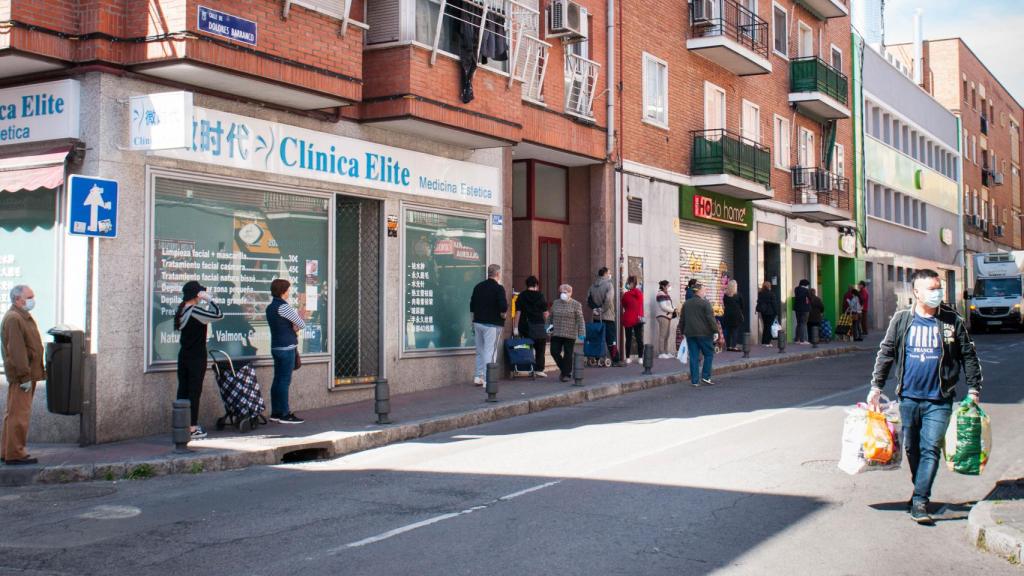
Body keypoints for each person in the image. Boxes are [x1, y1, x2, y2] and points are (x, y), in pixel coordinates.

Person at [868, 269, 982, 525]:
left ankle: (920, 500)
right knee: (912, 448)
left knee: (930, 448)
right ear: (916, 293)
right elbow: (886, 353)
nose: (937, 293)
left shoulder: (951, 321)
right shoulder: (901, 320)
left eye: (938, 287)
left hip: (939, 399)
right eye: (931, 289)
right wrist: (876, 386)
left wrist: (974, 389)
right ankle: (919, 487)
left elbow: (968, 355)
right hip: (908, 397)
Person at [174, 281, 223, 440]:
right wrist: (210, 299)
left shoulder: (181, 310)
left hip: (184, 355)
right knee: (194, 391)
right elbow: (219, 315)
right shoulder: (195, 311)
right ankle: (192, 427)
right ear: (196, 295)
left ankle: (181, 424)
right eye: (200, 294)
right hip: (197, 356)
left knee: (183, 389)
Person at [1, 285, 45, 465]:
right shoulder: (14, 318)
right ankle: (16, 453)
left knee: (13, 414)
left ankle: (7, 450)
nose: (33, 299)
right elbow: (17, 351)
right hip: (22, 377)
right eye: (30, 296)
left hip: (25, 375)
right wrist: (25, 376)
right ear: (19, 299)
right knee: (19, 415)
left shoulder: (20, 316)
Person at [267, 279, 306, 424]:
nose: (289, 292)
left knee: (277, 380)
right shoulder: (284, 307)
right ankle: (284, 413)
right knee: (284, 381)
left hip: (276, 346)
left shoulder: (270, 307)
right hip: (287, 347)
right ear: (283, 291)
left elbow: (280, 325)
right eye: (288, 289)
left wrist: (291, 326)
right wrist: (294, 325)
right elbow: (301, 323)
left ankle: (275, 412)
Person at [470, 264, 508, 386]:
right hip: (492, 324)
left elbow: (472, 306)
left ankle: (478, 376)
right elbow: (503, 307)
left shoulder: (478, 287)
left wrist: (473, 321)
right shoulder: (499, 288)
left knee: (480, 351)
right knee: (490, 352)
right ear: (498, 274)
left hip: (478, 322)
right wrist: (503, 315)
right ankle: (488, 379)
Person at [679, 282, 719, 387]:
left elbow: (682, 320)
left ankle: (695, 381)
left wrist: (682, 332)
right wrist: (715, 331)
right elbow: (711, 319)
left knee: (693, 356)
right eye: (704, 290)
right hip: (704, 334)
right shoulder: (705, 303)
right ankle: (706, 377)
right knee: (709, 354)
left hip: (690, 334)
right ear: (699, 291)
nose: (705, 292)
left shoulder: (686, 304)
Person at [513, 276, 549, 377]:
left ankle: (528, 367)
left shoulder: (522, 296)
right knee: (540, 348)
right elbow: (545, 313)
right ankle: (539, 369)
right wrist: (549, 326)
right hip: (539, 325)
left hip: (525, 325)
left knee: (527, 346)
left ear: (527, 285)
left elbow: (518, 312)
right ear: (536, 285)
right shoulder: (540, 295)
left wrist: (515, 327)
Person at [549, 284, 586, 382]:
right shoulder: (556, 303)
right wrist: (547, 328)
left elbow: (580, 320)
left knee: (568, 354)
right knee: (554, 351)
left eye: (565, 292)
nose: (562, 294)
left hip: (570, 334)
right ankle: (565, 370)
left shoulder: (576, 304)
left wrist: (581, 333)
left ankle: (566, 374)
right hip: (556, 333)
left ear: (570, 293)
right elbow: (550, 317)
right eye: (561, 292)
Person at [587, 267, 622, 366]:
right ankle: (615, 360)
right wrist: (602, 310)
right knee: (611, 339)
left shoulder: (592, 286)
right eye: (609, 272)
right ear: (605, 274)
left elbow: (588, 299)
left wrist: (595, 309)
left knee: (598, 338)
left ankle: (597, 358)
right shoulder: (609, 285)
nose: (610, 274)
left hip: (596, 317)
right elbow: (608, 300)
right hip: (608, 316)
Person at [621, 276, 644, 364]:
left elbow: (624, 305)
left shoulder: (626, 295)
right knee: (639, 339)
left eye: (627, 283)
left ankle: (627, 357)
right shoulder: (639, 294)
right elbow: (640, 305)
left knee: (628, 338)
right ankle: (640, 357)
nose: (627, 284)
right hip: (638, 319)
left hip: (628, 319)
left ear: (631, 284)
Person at [655, 280, 677, 359]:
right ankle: (661, 353)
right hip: (663, 316)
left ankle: (666, 352)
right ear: (663, 286)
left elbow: (668, 305)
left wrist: (674, 309)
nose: (669, 287)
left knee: (667, 335)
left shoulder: (666, 294)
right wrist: (673, 310)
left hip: (667, 316)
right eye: (668, 286)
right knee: (663, 334)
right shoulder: (660, 294)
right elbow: (663, 306)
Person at [721, 280, 745, 352]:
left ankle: (728, 346)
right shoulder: (738, 295)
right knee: (735, 331)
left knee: (728, 331)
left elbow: (724, 304)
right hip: (736, 315)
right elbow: (742, 305)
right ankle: (734, 346)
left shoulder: (725, 295)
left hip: (727, 314)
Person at [755, 281, 779, 347]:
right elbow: (774, 304)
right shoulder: (771, 294)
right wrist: (776, 312)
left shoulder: (760, 293)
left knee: (765, 326)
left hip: (763, 312)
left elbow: (758, 301)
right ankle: (767, 342)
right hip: (771, 313)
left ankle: (763, 342)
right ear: (769, 286)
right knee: (769, 327)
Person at [793, 279, 811, 344]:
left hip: (797, 309)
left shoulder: (796, 289)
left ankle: (797, 339)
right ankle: (803, 340)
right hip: (805, 309)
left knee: (799, 324)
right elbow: (810, 298)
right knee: (803, 324)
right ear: (805, 285)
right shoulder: (806, 291)